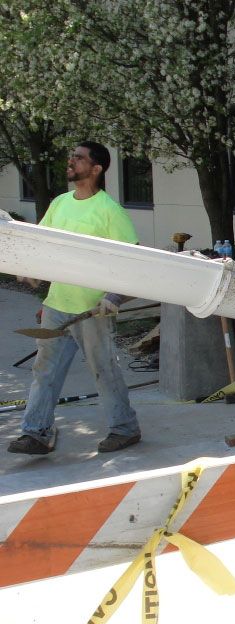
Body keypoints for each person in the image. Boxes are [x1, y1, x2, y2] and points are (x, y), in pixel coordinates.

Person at [8, 141, 142, 455]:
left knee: (103, 371)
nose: (71, 161)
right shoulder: (59, 203)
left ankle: (125, 429)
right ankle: (36, 432)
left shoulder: (110, 212)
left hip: (93, 310)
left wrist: (114, 297)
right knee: (45, 371)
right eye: (71, 156)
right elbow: (44, 245)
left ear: (96, 169)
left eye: (79, 158)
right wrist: (29, 269)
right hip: (57, 304)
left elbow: (134, 263)